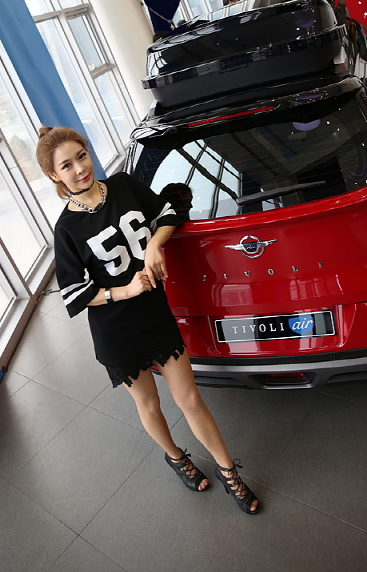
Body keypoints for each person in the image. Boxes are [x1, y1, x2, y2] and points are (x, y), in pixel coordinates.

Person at [36, 126, 259, 514]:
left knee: (190, 398)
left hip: (155, 315)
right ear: (54, 175)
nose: (80, 169)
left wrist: (155, 243)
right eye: (66, 166)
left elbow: (169, 212)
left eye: (81, 156)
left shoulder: (123, 186)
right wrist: (125, 290)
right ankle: (176, 457)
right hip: (116, 331)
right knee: (150, 404)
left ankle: (229, 472)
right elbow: (74, 294)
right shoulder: (66, 228)